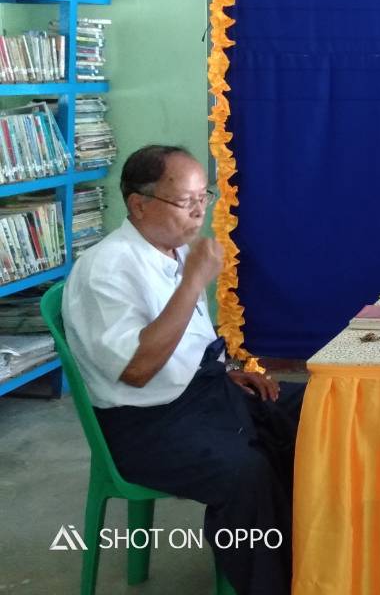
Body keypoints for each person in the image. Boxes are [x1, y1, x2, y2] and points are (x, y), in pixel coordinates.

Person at [63, 145, 305, 595]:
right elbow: (137, 369)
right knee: (246, 472)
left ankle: (314, 559)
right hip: (147, 425)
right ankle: (270, 582)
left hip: (201, 393)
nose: (198, 212)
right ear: (139, 204)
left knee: (316, 412)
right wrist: (194, 281)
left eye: (203, 198)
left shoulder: (171, 252)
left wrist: (225, 371)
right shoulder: (107, 269)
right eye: (184, 201)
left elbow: (185, 345)